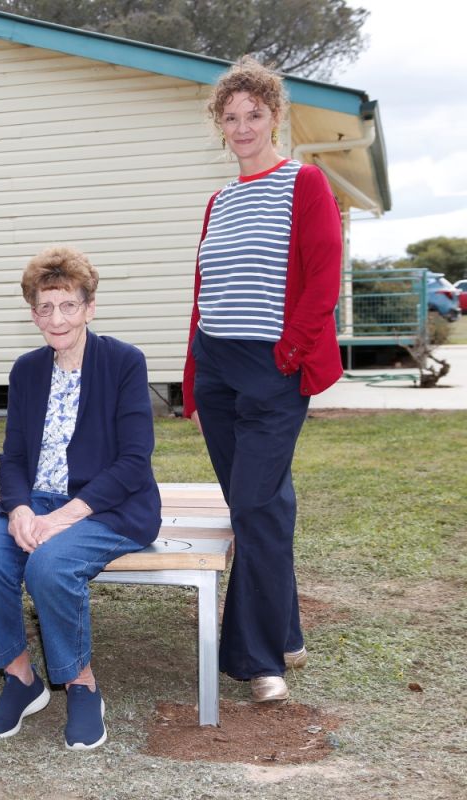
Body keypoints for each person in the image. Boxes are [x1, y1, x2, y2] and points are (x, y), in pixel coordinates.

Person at [182, 56, 343, 703]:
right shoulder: (219, 201)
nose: (243, 126)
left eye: (254, 114)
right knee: (264, 505)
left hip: (274, 367)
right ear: (221, 126)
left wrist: (291, 353)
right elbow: (204, 291)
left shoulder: (304, 184)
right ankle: (289, 630)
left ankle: (257, 659)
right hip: (217, 363)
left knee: (252, 503)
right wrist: (194, 377)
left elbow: (323, 273)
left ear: (275, 116)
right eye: (232, 116)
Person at [0, 246, 160, 750]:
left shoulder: (123, 363)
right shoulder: (27, 370)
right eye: (46, 307)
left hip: (106, 507)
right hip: (36, 504)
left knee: (49, 566)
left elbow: (134, 462)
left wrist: (63, 518)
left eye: (68, 305)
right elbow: (12, 457)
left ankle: (81, 685)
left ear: (89, 308)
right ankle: (21, 679)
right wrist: (22, 508)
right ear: (33, 314)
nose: (57, 318)